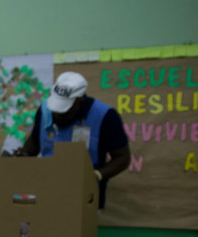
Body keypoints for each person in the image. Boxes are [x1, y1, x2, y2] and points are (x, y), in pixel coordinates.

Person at [14, 71, 130, 209]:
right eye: (55, 110)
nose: (57, 116)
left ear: (79, 102)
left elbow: (122, 158)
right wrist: (23, 155)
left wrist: (96, 175)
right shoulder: (45, 110)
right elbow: (35, 141)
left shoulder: (106, 117)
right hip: (46, 195)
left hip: (84, 199)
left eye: (64, 112)